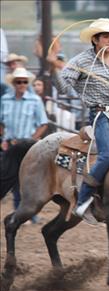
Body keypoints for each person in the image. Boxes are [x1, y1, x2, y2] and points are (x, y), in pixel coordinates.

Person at [48, 18, 109, 225]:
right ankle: (83, 198)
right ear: (95, 40)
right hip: (100, 115)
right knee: (107, 155)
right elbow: (63, 88)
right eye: (106, 36)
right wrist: (53, 68)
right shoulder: (81, 61)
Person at [1, 67, 48, 223]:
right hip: (10, 143)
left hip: (27, 145)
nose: (22, 84)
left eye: (24, 82)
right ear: (14, 83)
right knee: (11, 179)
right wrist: (3, 138)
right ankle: (22, 212)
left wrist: (32, 139)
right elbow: (1, 122)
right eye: (19, 82)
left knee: (26, 180)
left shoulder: (35, 101)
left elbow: (43, 124)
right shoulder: (5, 100)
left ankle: (26, 212)